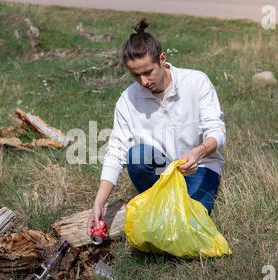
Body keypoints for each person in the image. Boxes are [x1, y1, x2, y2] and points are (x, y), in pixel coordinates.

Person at [86, 18, 226, 237]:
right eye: (135, 75)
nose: (143, 81)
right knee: (136, 156)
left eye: (148, 72)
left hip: (200, 167)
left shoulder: (196, 82)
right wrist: (100, 202)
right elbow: (116, 151)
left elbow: (216, 131)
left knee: (188, 227)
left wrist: (198, 152)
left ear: (162, 59)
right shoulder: (128, 100)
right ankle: (158, 202)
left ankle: (162, 209)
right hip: (162, 172)